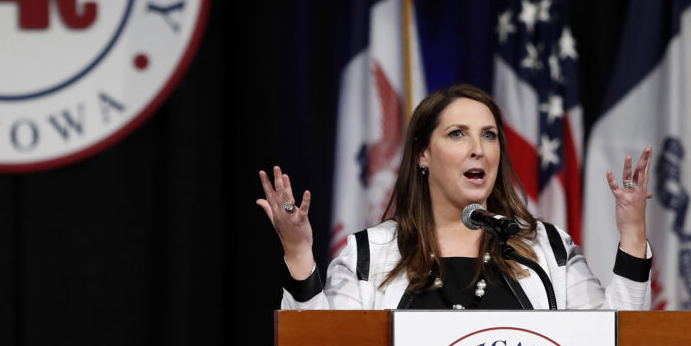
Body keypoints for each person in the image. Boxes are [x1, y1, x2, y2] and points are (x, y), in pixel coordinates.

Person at [257, 84, 652, 311]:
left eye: (489, 135)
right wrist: (299, 253)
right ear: (422, 154)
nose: (478, 149)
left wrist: (633, 233)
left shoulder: (544, 249)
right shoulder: (370, 254)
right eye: (457, 134)